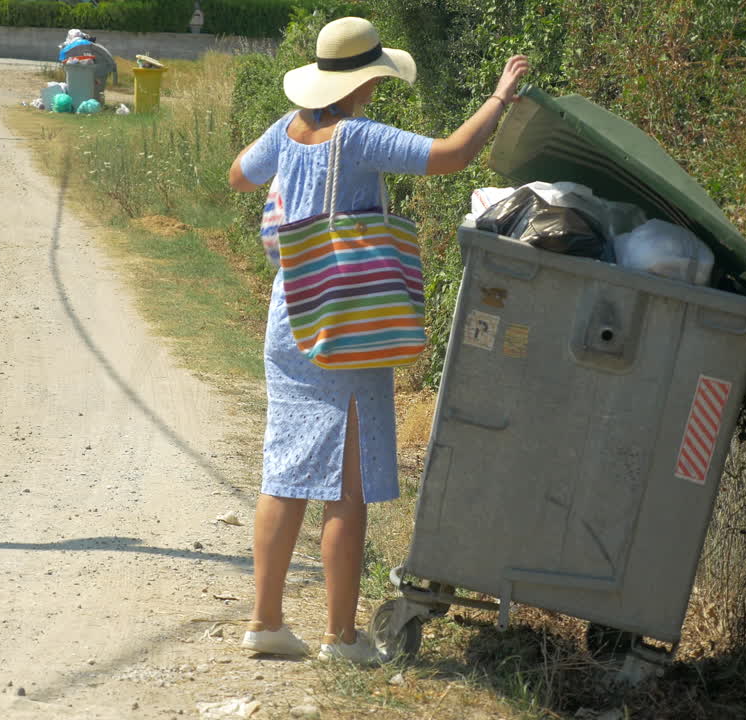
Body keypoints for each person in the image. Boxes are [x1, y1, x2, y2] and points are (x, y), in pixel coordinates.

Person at [227, 16, 529, 664]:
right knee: (347, 485)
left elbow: (237, 176)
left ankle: (265, 621)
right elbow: (450, 155)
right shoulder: (358, 138)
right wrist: (500, 99)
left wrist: (292, 194)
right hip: (347, 324)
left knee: (282, 474)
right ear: (365, 81)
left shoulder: (286, 130)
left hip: (289, 316)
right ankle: (340, 636)